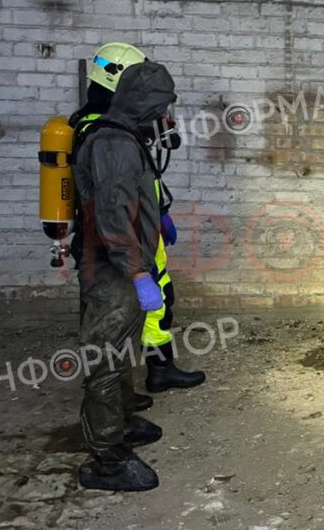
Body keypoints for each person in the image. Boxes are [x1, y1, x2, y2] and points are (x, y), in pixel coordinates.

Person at [70, 43, 205, 410]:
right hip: (117, 242)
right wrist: (136, 266)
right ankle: (112, 418)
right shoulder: (106, 132)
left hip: (138, 230)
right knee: (114, 327)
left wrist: (159, 213)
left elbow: (142, 178)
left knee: (155, 303)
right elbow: (113, 203)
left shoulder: (117, 124)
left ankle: (146, 381)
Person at [72, 60, 176, 491]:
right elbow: (113, 214)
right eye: (160, 106)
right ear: (141, 102)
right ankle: (107, 460)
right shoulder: (113, 143)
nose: (163, 115)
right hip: (112, 269)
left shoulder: (127, 136)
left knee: (120, 348)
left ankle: (125, 419)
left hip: (123, 264)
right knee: (104, 359)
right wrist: (136, 273)